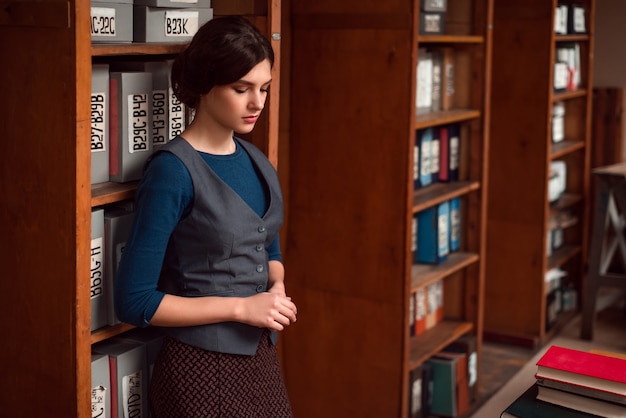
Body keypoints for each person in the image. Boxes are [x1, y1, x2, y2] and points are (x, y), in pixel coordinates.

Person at [114, 15, 297, 417]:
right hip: (200, 366)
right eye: (241, 89)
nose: (257, 103)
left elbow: (269, 245)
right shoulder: (171, 170)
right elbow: (134, 301)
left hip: (260, 359)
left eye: (264, 88)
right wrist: (241, 308)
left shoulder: (256, 160)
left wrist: (277, 286)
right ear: (203, 86)